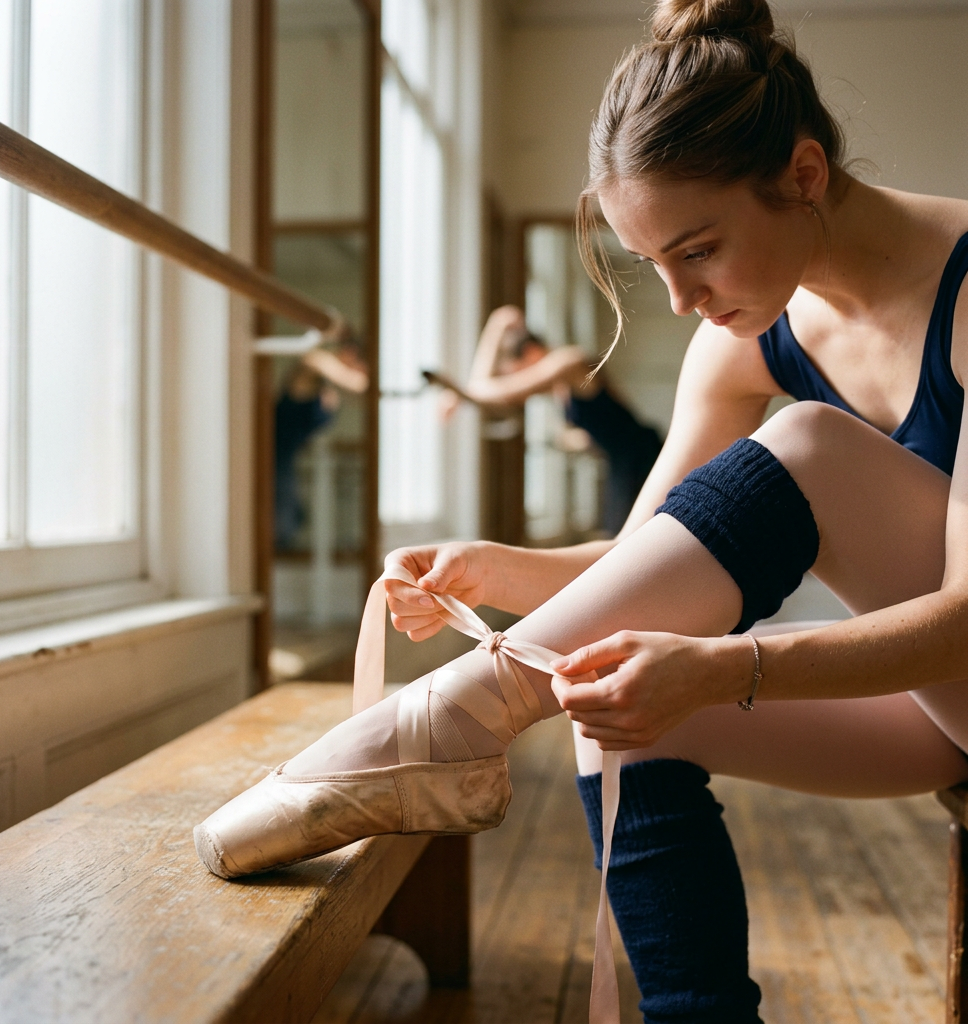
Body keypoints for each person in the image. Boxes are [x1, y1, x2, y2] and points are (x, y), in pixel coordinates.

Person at [196, 2, 968, 1020]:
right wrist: (499, 568)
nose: (682, 298)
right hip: (934, 714)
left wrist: (729, 663)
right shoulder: (742, 336)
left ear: (804, 175)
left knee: (808, 447)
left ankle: (445, 723)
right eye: (654, 267)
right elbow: (656, 555)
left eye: (697, 250)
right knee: (626, 712)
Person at [462, 304, 662, 533]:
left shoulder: (570, 361)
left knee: (626, 538)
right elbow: (610, 421)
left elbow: (485, 390)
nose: (521, 379)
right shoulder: (563, 389)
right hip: (626, 459)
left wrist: (496, 325)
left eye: (517, 371)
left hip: (641, 457)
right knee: (623, 537)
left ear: (532, 353)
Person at [273, 332, 368, 550]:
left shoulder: (326, 390)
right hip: (270, 457)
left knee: (288, 526)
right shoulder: (314, 365)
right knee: (282, 527)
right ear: (349, 354)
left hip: (287, 460)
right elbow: (315, 359)